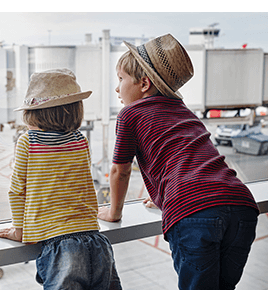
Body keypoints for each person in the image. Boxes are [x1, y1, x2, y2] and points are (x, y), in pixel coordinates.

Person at [97, 34, 260, 290]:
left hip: (195, 214)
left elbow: (121, 170)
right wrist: (165, 195)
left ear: (144, 83)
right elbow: (191, 161)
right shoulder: (185, 112)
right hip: (241, 205)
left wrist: (114, 212)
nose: (117, 88)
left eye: (120, 79)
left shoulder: (130, 113)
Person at [0, 68, 122, 290]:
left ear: (34, 112)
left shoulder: (28, 142)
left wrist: (19, 229)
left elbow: (17, 191)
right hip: (96, 241)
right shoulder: (80, 140)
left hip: (60, 247)